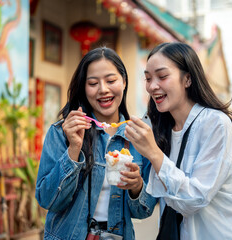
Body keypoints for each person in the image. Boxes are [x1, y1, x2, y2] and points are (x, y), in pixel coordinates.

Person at [125, 42, 232, 239]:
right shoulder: (159, 129)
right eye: (148, 78)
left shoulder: (215, 123)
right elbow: (150, 202)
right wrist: (136, 183)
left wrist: (153, 153)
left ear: (188, 79)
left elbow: (194, 199)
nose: (152, 86)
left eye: (162, 76)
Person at [35, 47, 157, 240]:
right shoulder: (62, 132)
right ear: (84, 87)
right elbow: (47, 200)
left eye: (111, 80)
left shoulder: (139, 136)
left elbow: (143, 211)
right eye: (93, 83)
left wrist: (137, 186)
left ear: (124, 82)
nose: (103, 89)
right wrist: (74, 150)